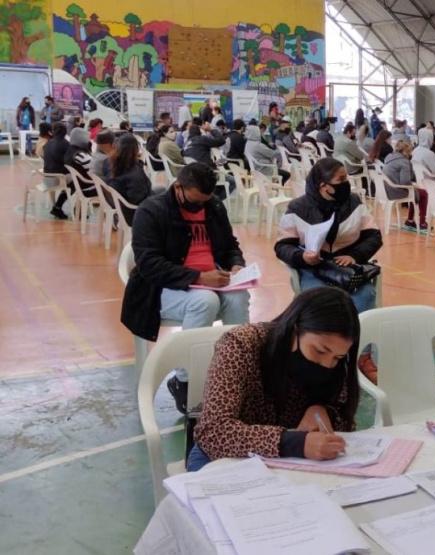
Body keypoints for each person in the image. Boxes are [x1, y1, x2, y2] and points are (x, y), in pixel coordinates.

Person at [121, 163, 250, 414]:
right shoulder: (151, 211)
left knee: (238, 296)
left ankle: (233, 368)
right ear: (178, 188)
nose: (199, 206)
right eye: (194, 201)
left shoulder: (212, 206)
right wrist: (199, 277)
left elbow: (230, 245)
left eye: (205, 200)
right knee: (204, 301)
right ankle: (185, 379)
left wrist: (236, 265)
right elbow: (149, 265)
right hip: (161, 287)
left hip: (211, 279)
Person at [188, 287, 359, 470]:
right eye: (319, 351)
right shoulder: (241, 344)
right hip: (225, 458)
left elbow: (346, 421)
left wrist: (325, 411)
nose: (326, 364)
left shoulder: (336, 366)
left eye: (337, 358)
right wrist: (294, 443)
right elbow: (213, 432)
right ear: (295, 329)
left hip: (292, 464)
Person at [275, 157, 383, 313]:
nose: (347, 183)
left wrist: (354, 256)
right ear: (324, 186)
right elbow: (282, 246)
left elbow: (374, 236)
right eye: (342, 179)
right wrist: (302, 257)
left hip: (347, 269)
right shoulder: (297, 208)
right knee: (323, 303)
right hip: (312, 269)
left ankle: (359, 335)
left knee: (364, 297)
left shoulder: (354, 203)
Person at [107, 134, 153, 225]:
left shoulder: (112, 164)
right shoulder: (135, 172)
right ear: (136, 149)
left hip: (120, 206)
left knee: (161, 189)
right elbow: (140, 197)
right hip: (135, 213)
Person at [383, 140, 429, 231]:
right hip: (396, 191)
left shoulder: (388, 158)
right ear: (407, 151)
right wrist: (414, 186)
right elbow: (405, 181)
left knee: (415, 191)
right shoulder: (404, 162)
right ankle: (422, 222)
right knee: (423, 193)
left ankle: (410, 220)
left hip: (387, 190)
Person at [44, 122, 71, 219]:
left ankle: (56, 206)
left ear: (53, 132)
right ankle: (58, 206)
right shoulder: (66, 144)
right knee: (78, 182)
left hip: (46, 178)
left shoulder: (48, 143)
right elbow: (70, 162)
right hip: (58, 179)